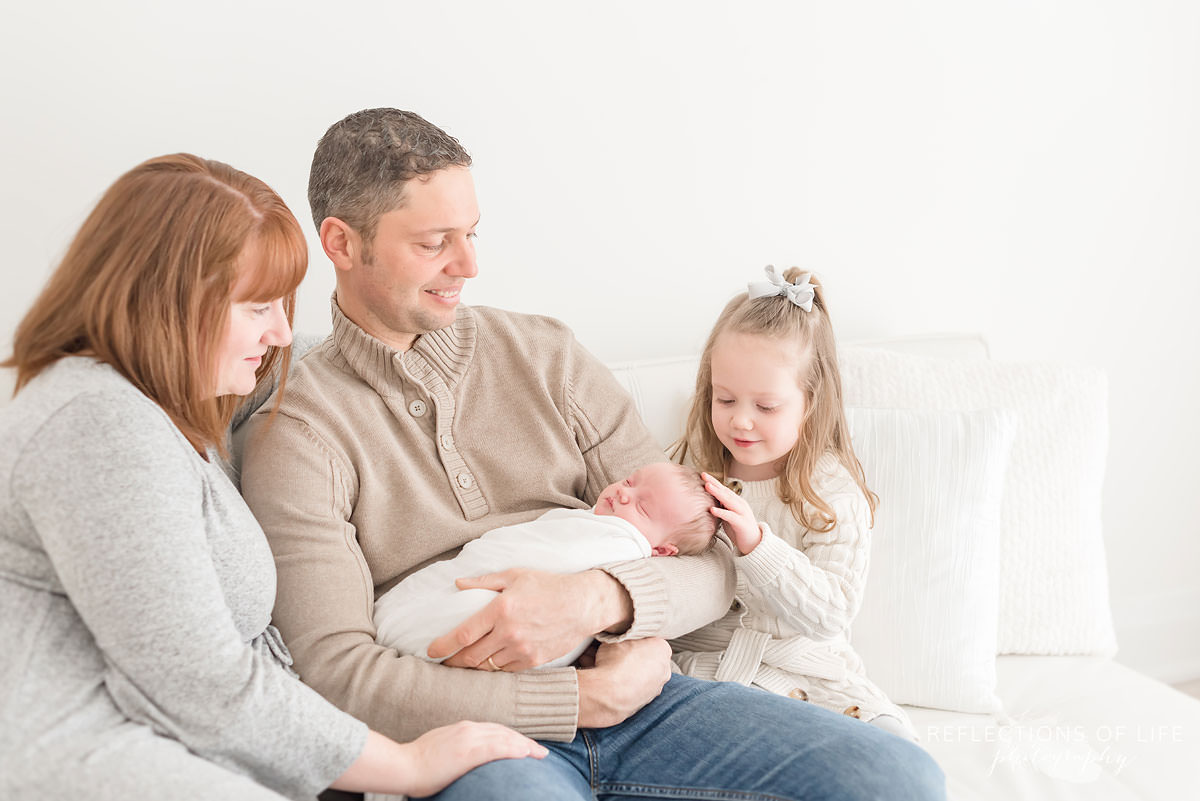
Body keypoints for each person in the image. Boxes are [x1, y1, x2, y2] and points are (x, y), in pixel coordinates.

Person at [237, 108, 945, 800]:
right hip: (479, 733)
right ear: (340, 242)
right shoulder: (296, 430)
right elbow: (339, 674)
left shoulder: (544, 353)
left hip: (644, 698)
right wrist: (575, 697)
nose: (470, 264)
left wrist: (599, 598)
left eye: (473, 233)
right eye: (435, 242)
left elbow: (711, 559)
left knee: (900, 778)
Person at [0, 154, 546, 801]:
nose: (282, 332)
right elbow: (199, 684)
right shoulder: (98, 424)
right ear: (165, 305)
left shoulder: (162, 408)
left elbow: (333, 353)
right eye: (259, 307)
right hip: (89, 759)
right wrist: (408, 762)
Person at [671, 265, 917, 740]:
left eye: (765, 407)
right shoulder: (687, 467)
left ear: (811, 402)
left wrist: (758, 546)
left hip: (807, 675)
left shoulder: (830, 497)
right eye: (725, 400)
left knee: (892, 739)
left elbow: (831, 614)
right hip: (705, 670)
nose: (741, 421)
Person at [375, 462, 718, 669]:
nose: (624, 494)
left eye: (643, 508)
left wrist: (594, 599)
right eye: (630, 481)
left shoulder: (623, 544)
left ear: (660, 550)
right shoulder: (587, 518)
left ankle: (406, 635)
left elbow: (717, 568)